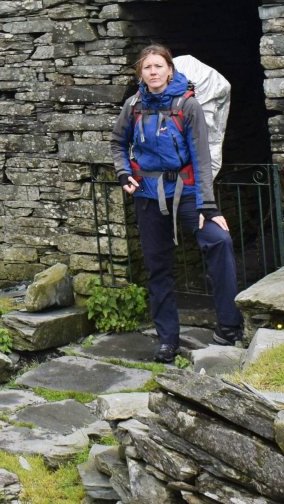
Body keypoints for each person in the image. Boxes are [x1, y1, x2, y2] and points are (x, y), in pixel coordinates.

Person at [111, 44, 244, 364]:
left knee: (219, 241)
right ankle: (167, 340)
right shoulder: (134, 105)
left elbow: (201, 156)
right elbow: (118, 143)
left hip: (186, 193)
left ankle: (229, 325)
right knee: (158, 269)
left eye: (158, 66)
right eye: (147, 67)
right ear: (140, 73)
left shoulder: (189, 106)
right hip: (147, 196)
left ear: (170, 70)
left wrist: (208, 207)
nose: (153, 72)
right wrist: (123, 172)